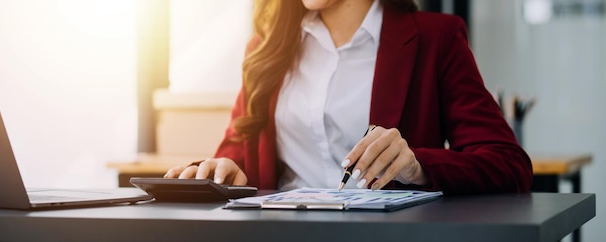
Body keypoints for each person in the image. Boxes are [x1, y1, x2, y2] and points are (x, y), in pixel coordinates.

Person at [165, 0, 533, 195]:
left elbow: (508, 163)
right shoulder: (265, 50)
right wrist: (222, 169)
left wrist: (416, 167)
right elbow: (237, 152)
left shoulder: (436, 39)